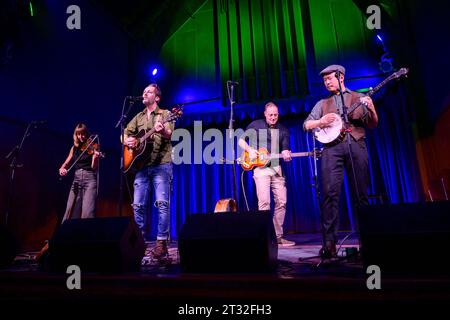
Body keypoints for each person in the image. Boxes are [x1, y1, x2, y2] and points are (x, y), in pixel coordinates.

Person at [303, 64, 378, 257]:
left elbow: (372, 123)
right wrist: (320, 122)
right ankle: (329, 244)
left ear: (341, 77)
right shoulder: (322, 104)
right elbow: (306, 124)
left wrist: (372, 108)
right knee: (329, 194)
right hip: (331, 150)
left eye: (330, 78)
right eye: (324, 80)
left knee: (360, 194)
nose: (326, 82)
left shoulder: (359, 98)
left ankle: (367, 241)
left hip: (356, 144)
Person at [123, 83, 174, 260]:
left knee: (162, 204)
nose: (144, 93)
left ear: (157, 97)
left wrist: (164, 131)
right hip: (141, 167)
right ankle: (139, 243)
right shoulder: (138, 117)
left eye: (149, 91)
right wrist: (128, 141)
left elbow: (170, 134)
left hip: (161, 165)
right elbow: (125, 133)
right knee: (138, 206)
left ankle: (161, 244)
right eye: (143, 91)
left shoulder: (166, 114)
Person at [238, 101, 295, 247]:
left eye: (276, 115)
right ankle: (266, 237)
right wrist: (250, 150)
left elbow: (285, 149)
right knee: (264, 202)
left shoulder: (283, 130)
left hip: (276, 168)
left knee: (282, 201)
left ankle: (277, 237)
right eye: (270, 115)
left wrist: (286, 152)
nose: (273, 117)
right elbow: (241, 141)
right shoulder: (255, 124)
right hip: (261, 168)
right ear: (265, 114)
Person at [59, 123, 101, 222]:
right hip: (77, 180)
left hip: (89, 180)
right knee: (70, 211)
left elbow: (94, 167)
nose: (81, 136)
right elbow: (65, 164)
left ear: (86, 133)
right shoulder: (74, 148)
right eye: (78, 134)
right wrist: (62, 169)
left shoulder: (93, 145)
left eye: (83, 134)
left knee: (88, 213)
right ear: (76, 135)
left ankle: (85, 237)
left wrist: (95, 158)